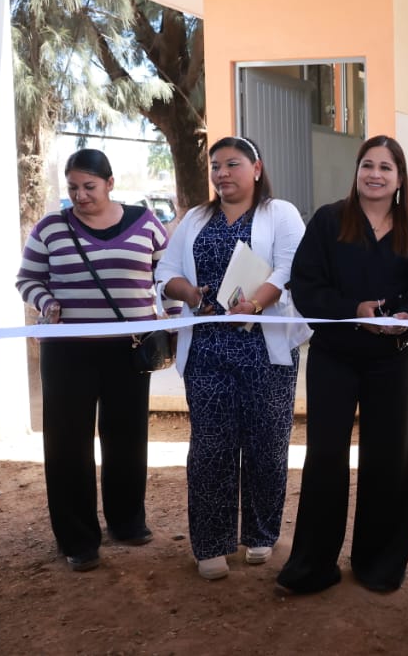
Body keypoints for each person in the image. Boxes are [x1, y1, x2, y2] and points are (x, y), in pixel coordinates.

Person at [276, 136, 408, 596]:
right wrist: (354, 310)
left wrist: (406, 321)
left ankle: (379, 564)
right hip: (335, 358)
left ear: (400, 178)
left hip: (394, 360)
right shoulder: (329, 221)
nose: (375, 174)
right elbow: (306, 287)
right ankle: (312, 565)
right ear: (357, 172)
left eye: (386, 168)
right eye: (368, 165)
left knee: (390, 460)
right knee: (326, 458)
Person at [159, 136, 311, 581]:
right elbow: (165, 271)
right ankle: (211, 543)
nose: (222, 173)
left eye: (232, 164)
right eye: (215, 166)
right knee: (210, 448)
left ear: (257, 169)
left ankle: (261, 534)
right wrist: (188, 292)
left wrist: (257, 303)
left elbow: (290, 267)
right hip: (207, 349)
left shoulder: (279, 213)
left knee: (266, 445)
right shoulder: (195, 218)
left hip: (265, 347)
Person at [16, 148, 170, 572]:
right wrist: (46, 302)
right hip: (68, 351)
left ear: (110, 183)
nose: (80, 196)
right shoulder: (50, 228)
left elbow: (168, 275)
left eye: (89, 187)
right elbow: (27, 279)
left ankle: (127, 522)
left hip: (128, 349)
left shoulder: (146, 222)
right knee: (68, 445)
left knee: (127, 436)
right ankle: (77, 539)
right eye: (72, 188)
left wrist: (173, 318)